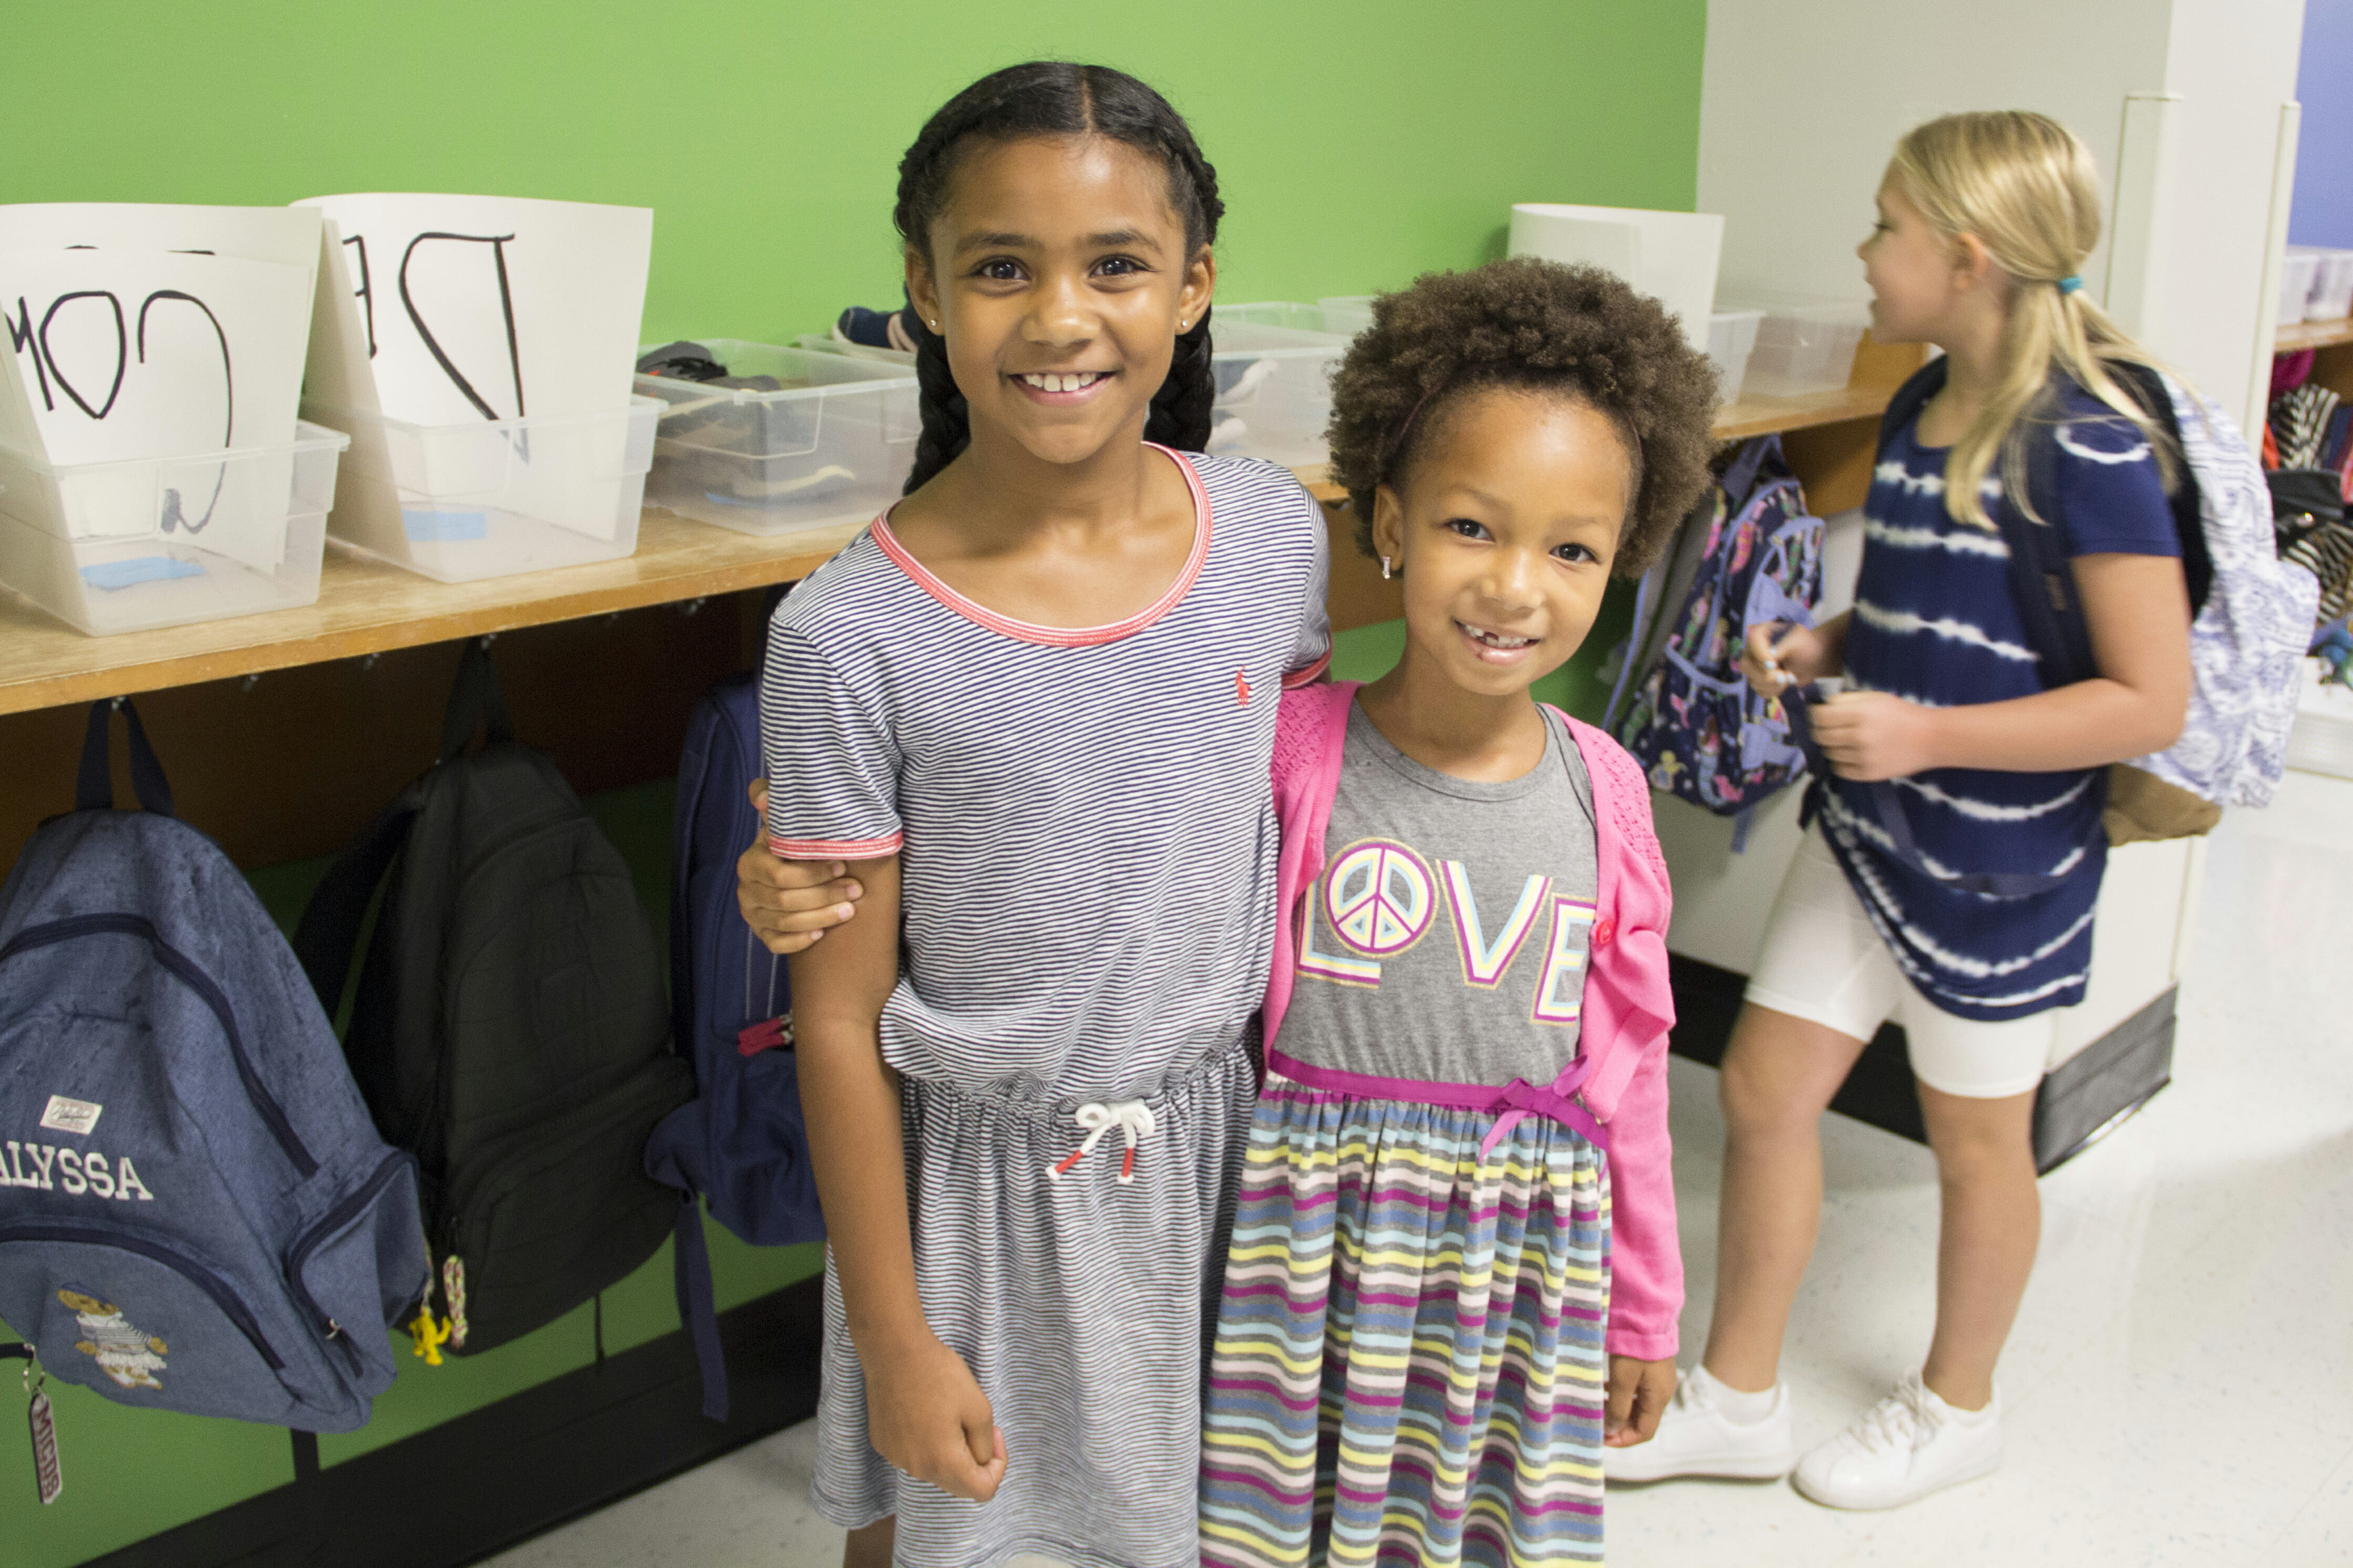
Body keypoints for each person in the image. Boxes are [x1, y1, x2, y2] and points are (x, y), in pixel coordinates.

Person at [754, 63, 1331, 1568]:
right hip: (977, 1213)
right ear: (924, 292)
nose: (1060, 314)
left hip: (1224, 1163)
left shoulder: (1269, 533)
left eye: (1116, 264)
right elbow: (834, 1022)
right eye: (1000, 266)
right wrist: (890, 1336)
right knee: (956, 1535)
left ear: (1193, 288)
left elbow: (1313, 782)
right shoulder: (844, 634)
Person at [1605, 110, 2192, 1510]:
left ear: (1967, 257)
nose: (1863, 253)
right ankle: (1736, 1396)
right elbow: (1944, 601)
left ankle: (1955, 1404)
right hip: (1864, 845)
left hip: (1999, 873)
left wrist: (1924, 728)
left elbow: (2143, 698)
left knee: (1977, 1140)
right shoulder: (1923, 405)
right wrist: (1834, 642)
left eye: (1884, 227)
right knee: (1760, 1088)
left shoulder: (2089, 448)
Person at [1194, 258, 1715, 1568]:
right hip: (1293, 1251)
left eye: (1572, 547)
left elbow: (1633, 1078)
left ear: (1622, 557)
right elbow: (1112, 837)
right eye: (1470, 527)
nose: (1512, 586)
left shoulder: (1605, 796)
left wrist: (1647, 1306)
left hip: (1506, 1274)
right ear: (1389, 520)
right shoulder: (1287, 749)